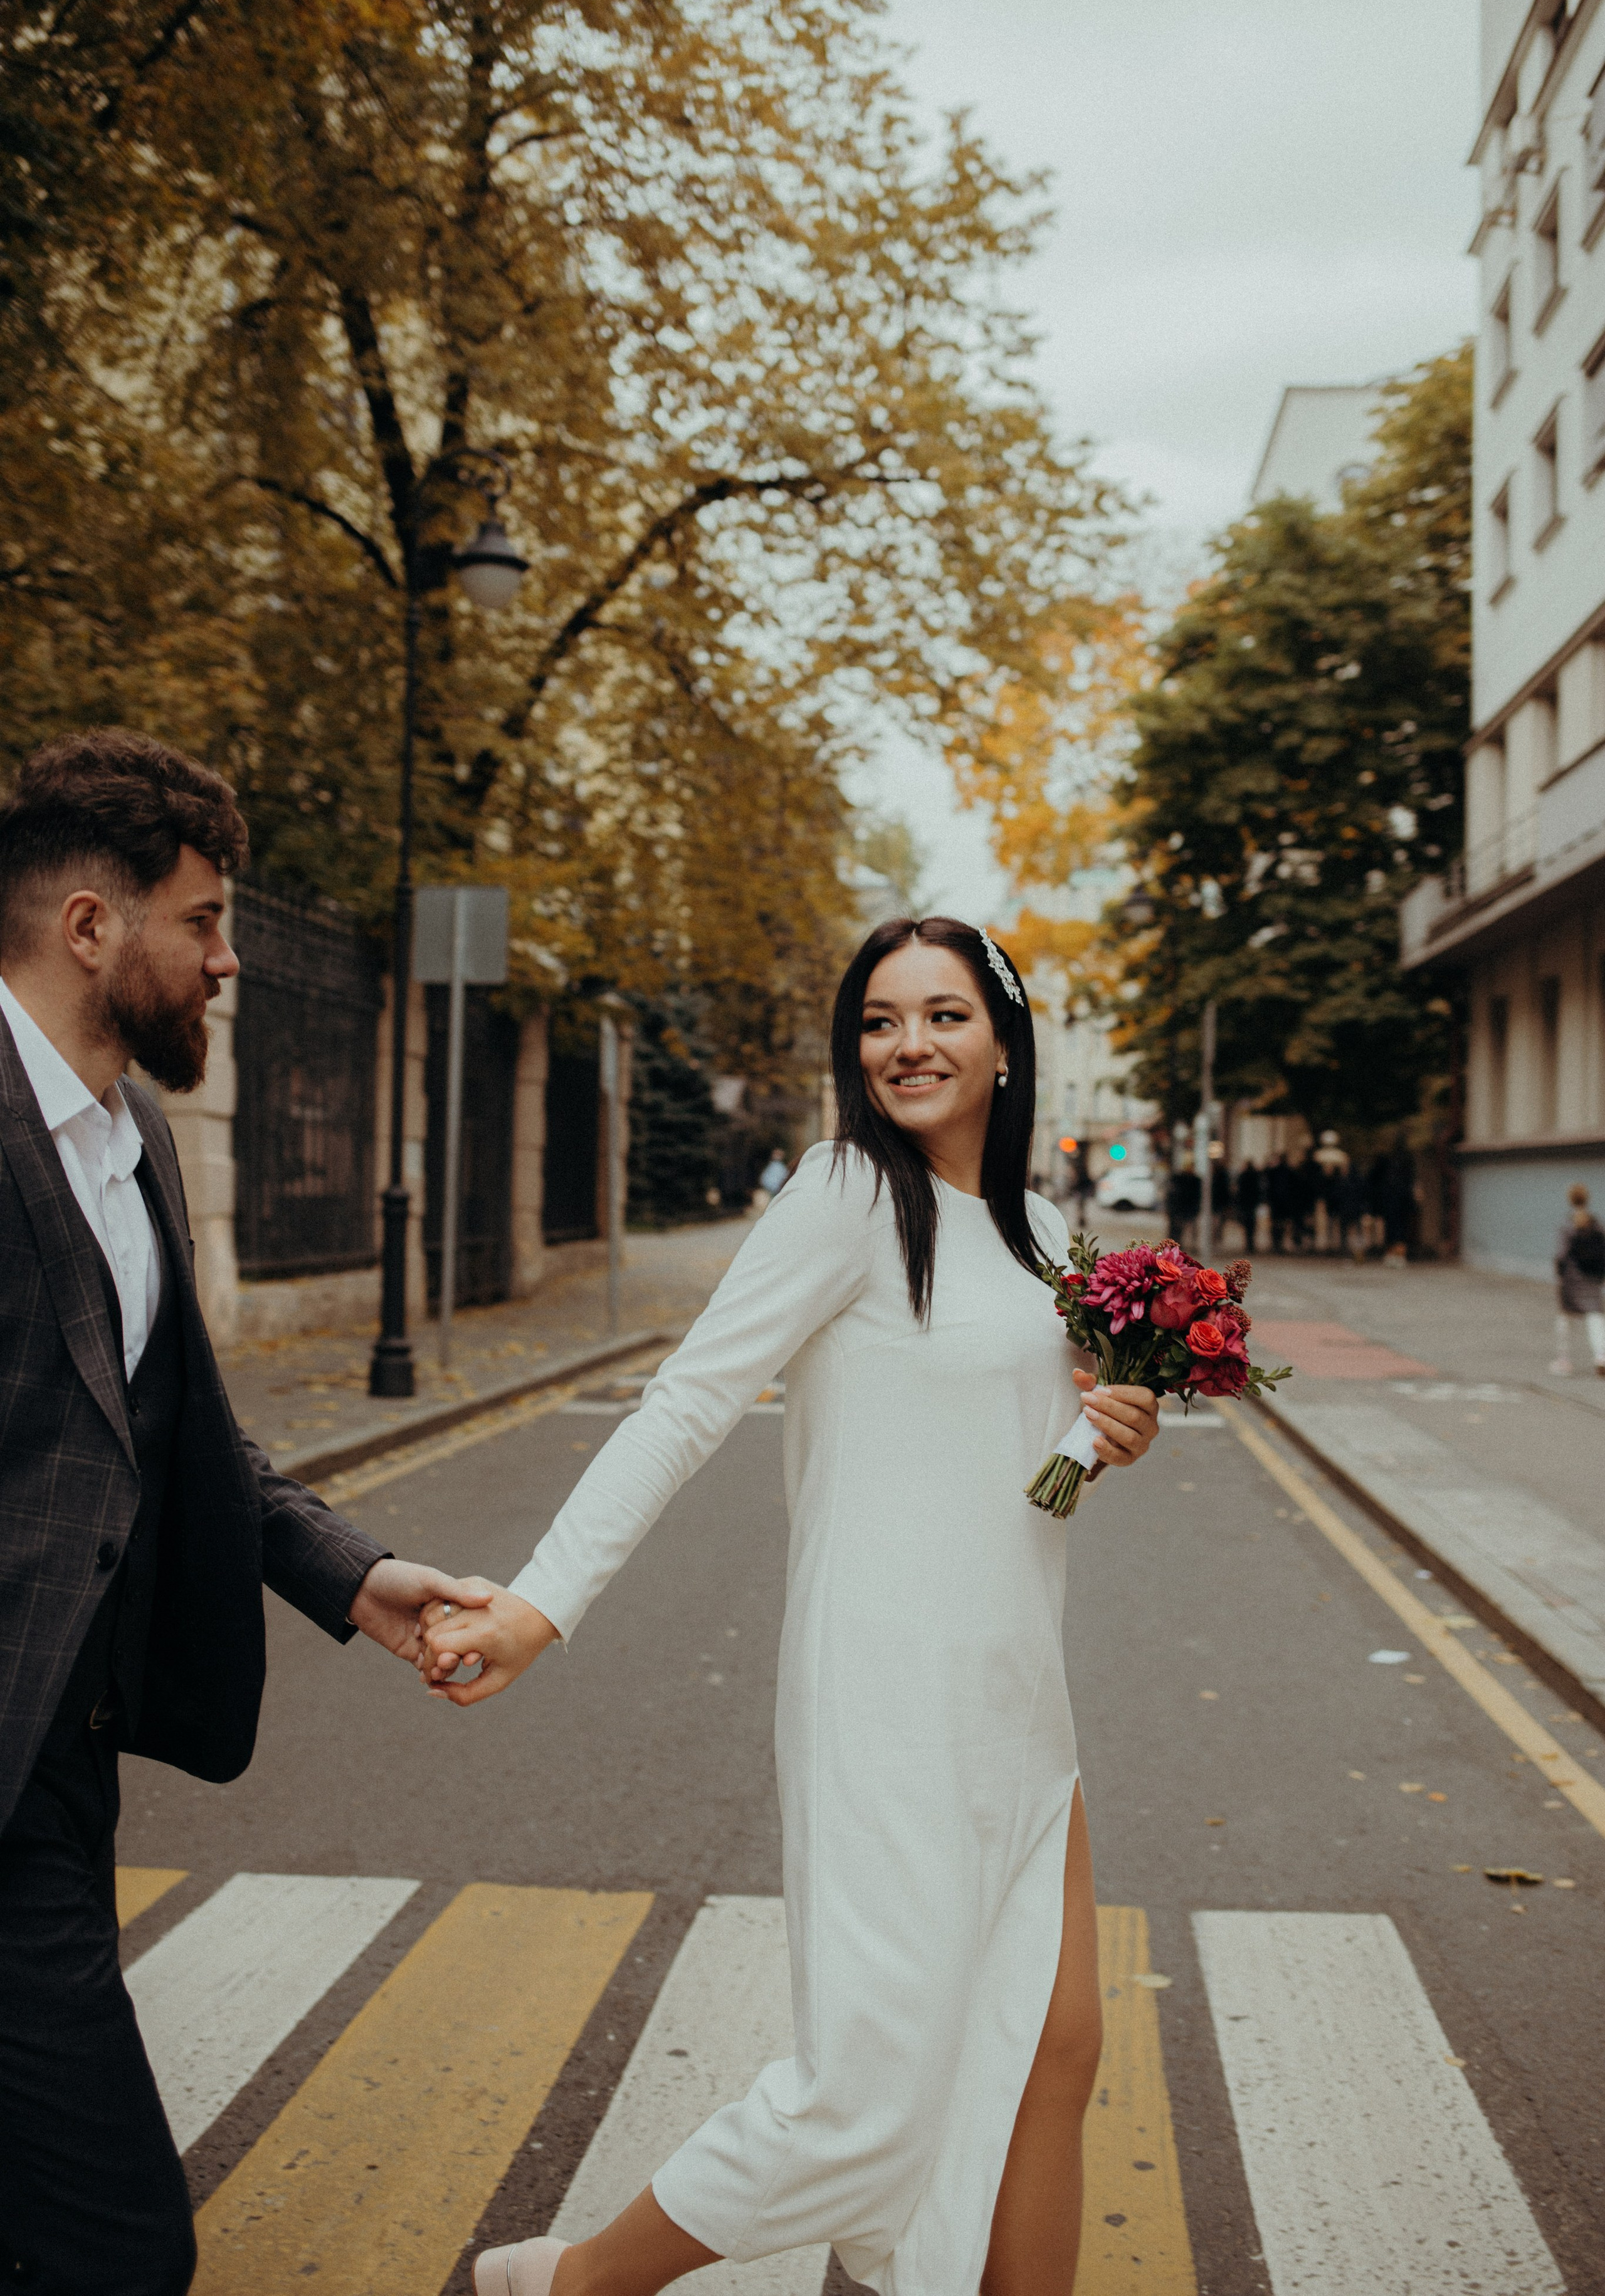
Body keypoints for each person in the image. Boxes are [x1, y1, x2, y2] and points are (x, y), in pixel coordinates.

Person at [419, 916, 1162, 2296]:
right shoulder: (844, 1195)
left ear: (1004, 1043)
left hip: (1017, 1704)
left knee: (1055, 2055)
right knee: (865, 2106)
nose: (907, 1045)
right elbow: (686, 1403)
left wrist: (1101, 1437)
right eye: (879, 1021)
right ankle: (569, 2283)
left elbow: (1022, 1482)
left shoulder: (1042, 1231)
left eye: (942, 1015)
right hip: (882, 1697)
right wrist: (540, 1604)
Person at [0, 731, 484, 2296]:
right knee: (116, 2240)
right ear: (91, 926)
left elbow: (185, 1433)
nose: (226, 960)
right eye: (203, 922)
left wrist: (355, 1576)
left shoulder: (131, 1139)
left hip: (57, 1770)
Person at [1551, 1182, 1605, 1377]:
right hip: (1593, 1277)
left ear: (1570, 1199)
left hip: (1572, 1278)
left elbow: (1561, 1254)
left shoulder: (1568, 1224)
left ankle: (1564, 1360)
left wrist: (1559, 1274)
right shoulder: (1596, 1223)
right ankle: (1601, 1356)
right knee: (1595, 1316)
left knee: (1566, 1317)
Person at [1166, 1159, 1201, 1249]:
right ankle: (1177, 1245)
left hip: (1189, 1209)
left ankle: (1188, 1246)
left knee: (1191, 1230)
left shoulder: (1195, 1180)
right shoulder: (1178, 1179)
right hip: (1179, 1209)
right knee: (1178, 1230)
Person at [1233, 1160, 1261, 1255]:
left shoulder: (1243, 1176)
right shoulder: (1255, 1176)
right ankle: (1251, 1243)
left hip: (1245, 1203)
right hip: (1252, 1204)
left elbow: (1239, 1191)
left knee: (1247, 1223)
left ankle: (1249, 1243)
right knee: (1251, 1224)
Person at [751, 1146, 790, 1214]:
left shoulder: (781, 1167)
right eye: (776, 1154)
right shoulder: (772, 1167)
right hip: (771, 1190)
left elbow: (785, 1177)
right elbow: (765, 1178)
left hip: (778, 1190)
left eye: (779, 1155)